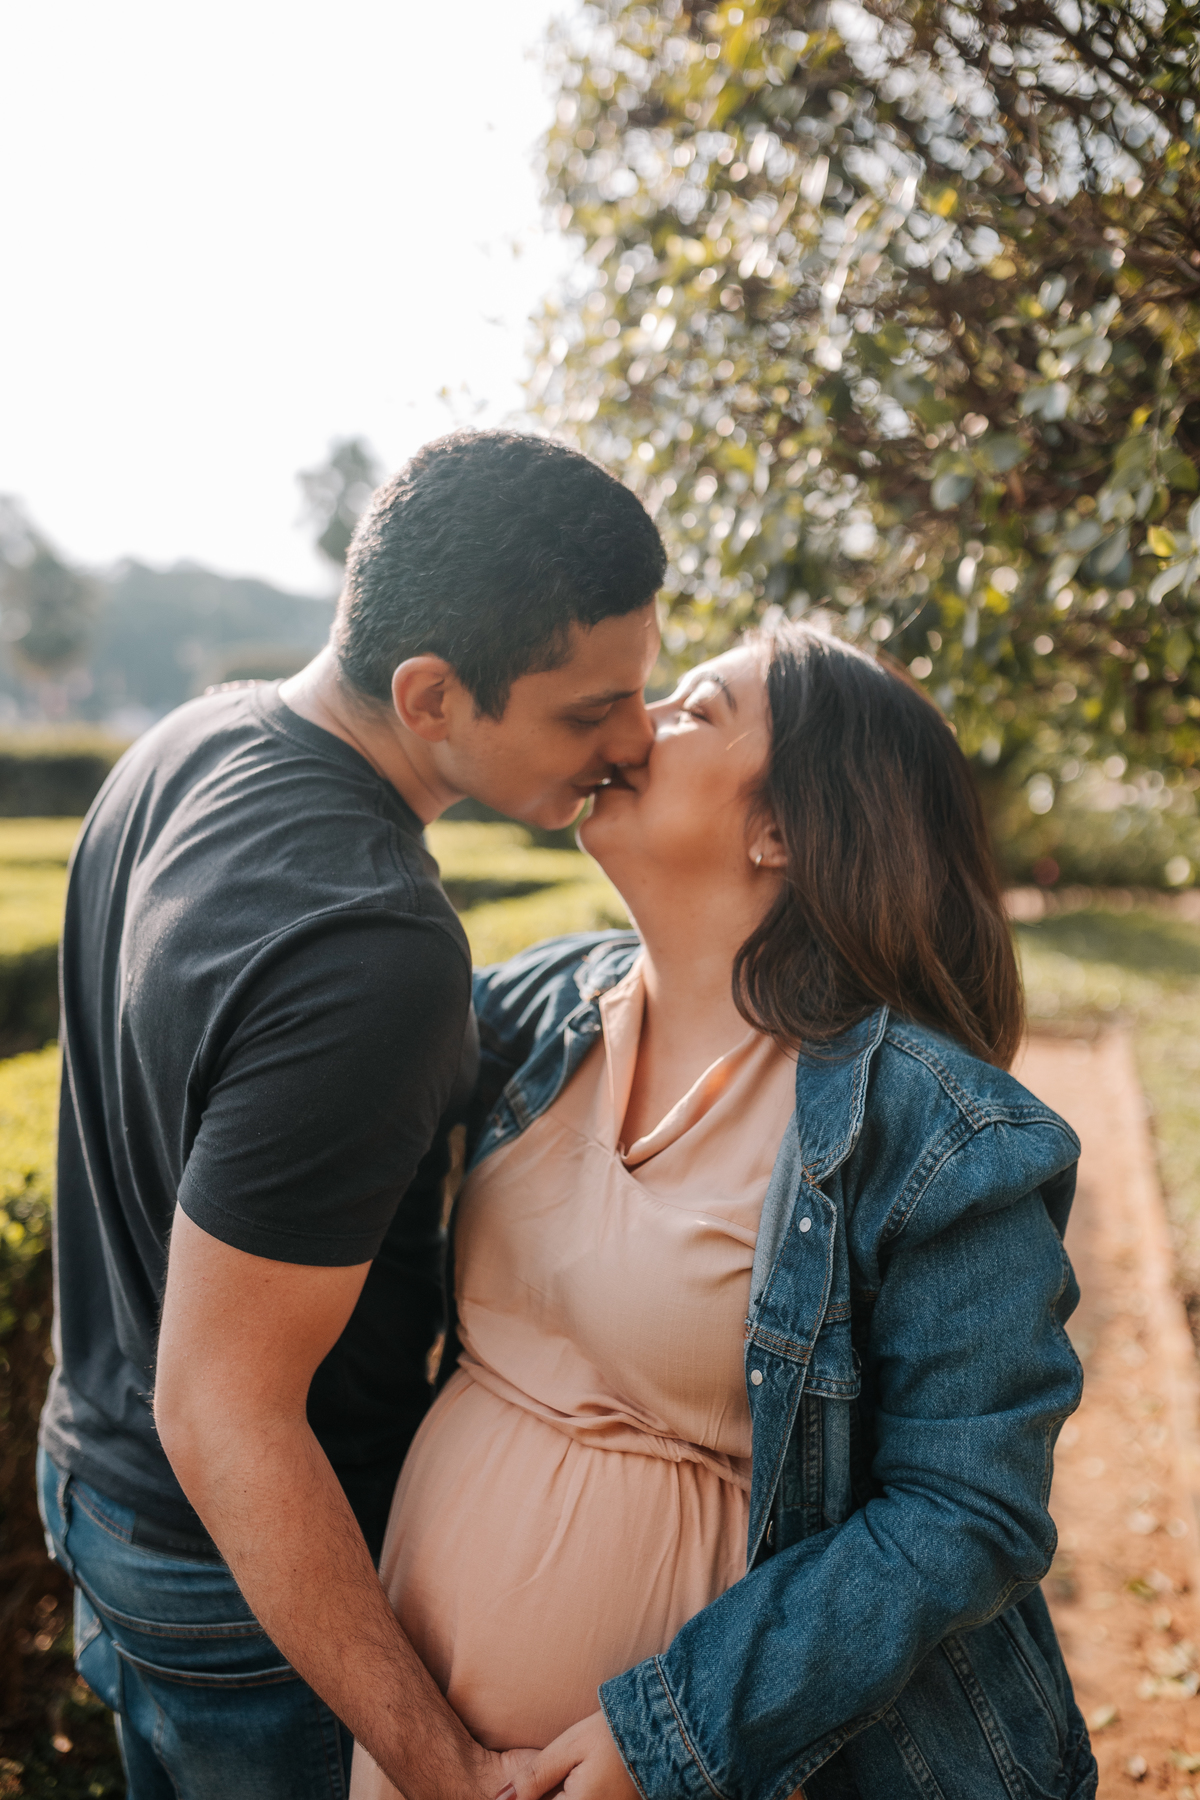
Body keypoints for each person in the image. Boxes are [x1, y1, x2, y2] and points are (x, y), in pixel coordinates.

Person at [354, 622, 1098, 1800]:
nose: (634, 725)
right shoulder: (542, 1008)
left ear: (783, 829)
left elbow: (966, 1511)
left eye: (695, 708)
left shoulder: (935, 1130)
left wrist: (666, 1740)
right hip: (423, 1741)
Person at [37, 428, 664, 1800]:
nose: (635, 743)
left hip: (96, 1494)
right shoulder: (376, 949)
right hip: (248, 1595)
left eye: (646, 689)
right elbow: (223, 1409)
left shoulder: (186, 740)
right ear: (432, 693)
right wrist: (444, 1768)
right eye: (589, 711)